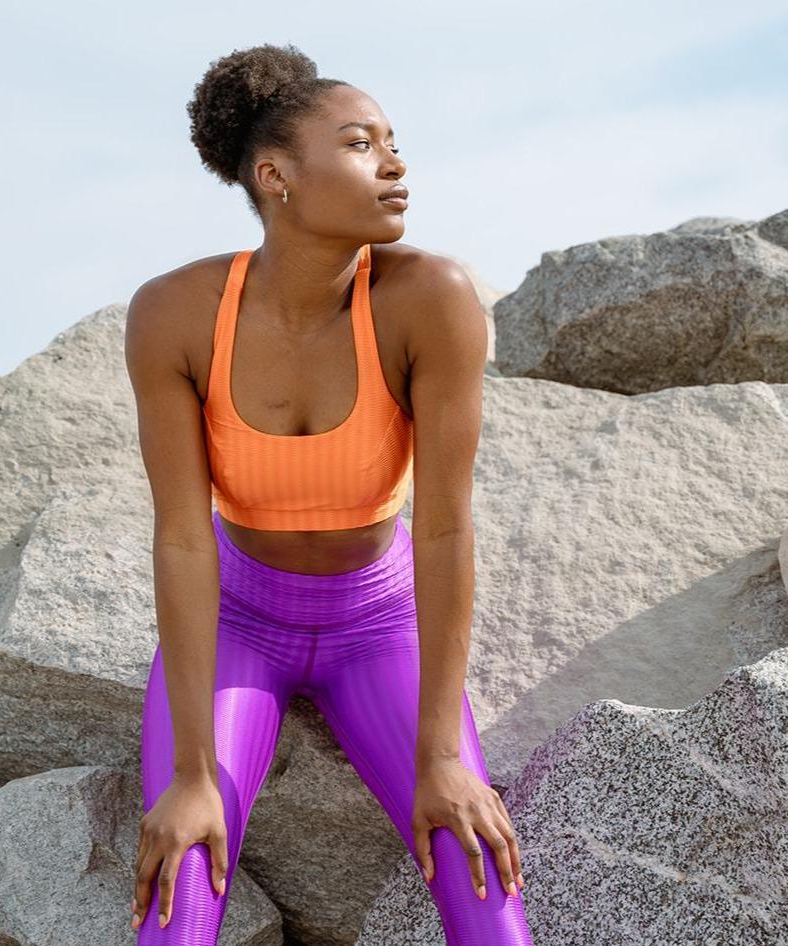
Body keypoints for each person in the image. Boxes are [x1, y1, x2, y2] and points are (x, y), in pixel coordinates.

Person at [123, 42, 535, 946]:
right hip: (239, 621)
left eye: (395, 142)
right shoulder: (175, 313)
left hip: (379, 624)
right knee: (180, 887)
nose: (394, 165)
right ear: (276, 176)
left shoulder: (432, 297)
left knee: (482, 878)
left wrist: (441, 755)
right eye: (361, 144)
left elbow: (444, 526)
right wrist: (193, 771)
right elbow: (186, 539)